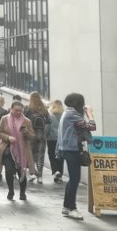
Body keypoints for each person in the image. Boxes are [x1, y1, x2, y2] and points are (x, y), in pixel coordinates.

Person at [57, 93, 96, 221]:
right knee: (75, 179)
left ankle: (67, 207)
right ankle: (72, 208)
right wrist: (90, 114)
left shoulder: (68, 113)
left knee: (73, 179)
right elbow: (91, 126)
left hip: (69, 149)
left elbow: (81, 127)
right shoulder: (72, 114)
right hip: (71, 149)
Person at [0, 99, 35, 201]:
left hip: (22, 151)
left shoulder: (27, 121)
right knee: (9, 171)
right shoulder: (4, 119)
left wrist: (26, 132)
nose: (18, 112)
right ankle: (11, 191)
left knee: (21, 171)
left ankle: (22, 193)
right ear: (11, 109)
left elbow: (32, 137)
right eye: (16, 110)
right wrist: (8, 138)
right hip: (8, 150)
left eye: (20, 111)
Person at [26, 92, 50, 184]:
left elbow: (24, 120)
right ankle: (40, 176)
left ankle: (32, 173)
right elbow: (49, 121)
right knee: (41, 155)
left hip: (31, 134)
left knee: (30, 154)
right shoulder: (43, 109)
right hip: (41, 135)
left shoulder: (28, 108)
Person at [46, 99, 65, 183]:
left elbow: (47, 127)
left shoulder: (50, 115)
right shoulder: (64, 115)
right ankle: (60, 174)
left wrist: (46, 135)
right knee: (60, 156)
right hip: (61, 139)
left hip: (51, 139)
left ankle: (55, 171)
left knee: (52, 155)